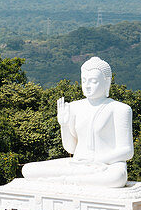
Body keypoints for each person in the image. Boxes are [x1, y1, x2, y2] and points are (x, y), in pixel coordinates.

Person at [20, 57, 134, 187]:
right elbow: (71, 148)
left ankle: (64, 181)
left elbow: (127, 151)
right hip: (78, 164)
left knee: (116, 178)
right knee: (28, 170)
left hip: (107, 165)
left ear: (106, 82)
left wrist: (96, 161)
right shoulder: (74, 107)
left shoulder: (120, 109)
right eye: (84, 81)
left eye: (93, 81)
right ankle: (73, 180)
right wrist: (63, 125)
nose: (87, 86)